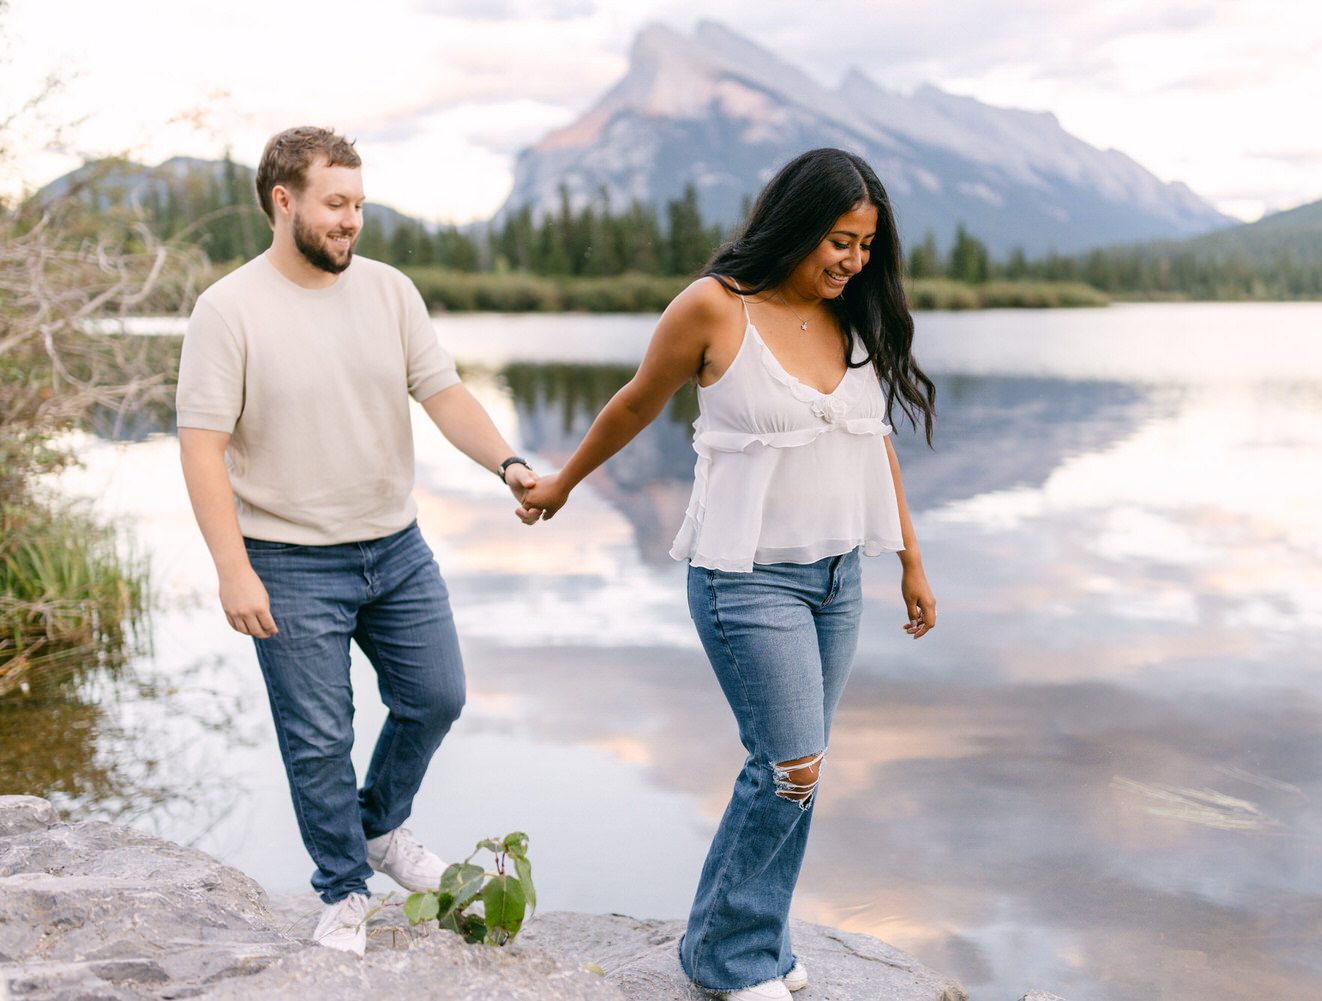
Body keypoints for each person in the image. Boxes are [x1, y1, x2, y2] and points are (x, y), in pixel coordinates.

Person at [518, 147, 937, 1000]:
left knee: (802, 765)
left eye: (865, 245)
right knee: (788, 767)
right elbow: (637, 399)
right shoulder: (714, 308)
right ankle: (724, 956)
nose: (852, 261)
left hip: (838, 579)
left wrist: (910, 561)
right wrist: (562, 483)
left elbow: (873, 439)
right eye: (838, 241)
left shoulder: (851, 315)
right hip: (744, 579)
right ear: (795, 223)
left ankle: (763, 940)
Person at [176, 126, 540, 957]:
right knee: (319, 738)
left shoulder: (389, 292)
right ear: (284, 201)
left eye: (359, 206)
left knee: (436, 695)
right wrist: (232, 569)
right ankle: (344, 889)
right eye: (335, 205)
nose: (351, 221)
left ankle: (377, 828)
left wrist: (509, 464)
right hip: (287, 558)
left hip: (396, 548)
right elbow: (200, 447)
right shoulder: (228, 309)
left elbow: (444, 395)